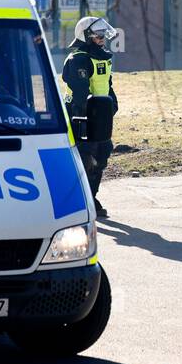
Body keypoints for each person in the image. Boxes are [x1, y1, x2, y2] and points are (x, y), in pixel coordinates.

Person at [62, 16, 119, 219]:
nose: (103, 38)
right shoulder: (79, 59)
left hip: (100, 114)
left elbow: (106, 83)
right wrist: (86, 116)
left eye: (104, 34)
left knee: (102, 155)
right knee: (86, 157)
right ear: (86, 36)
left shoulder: (103, 56)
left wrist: (112, 101)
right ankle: (80, 200)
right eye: (98, 35)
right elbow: (80, 94)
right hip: (81, 116)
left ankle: (91, 197)